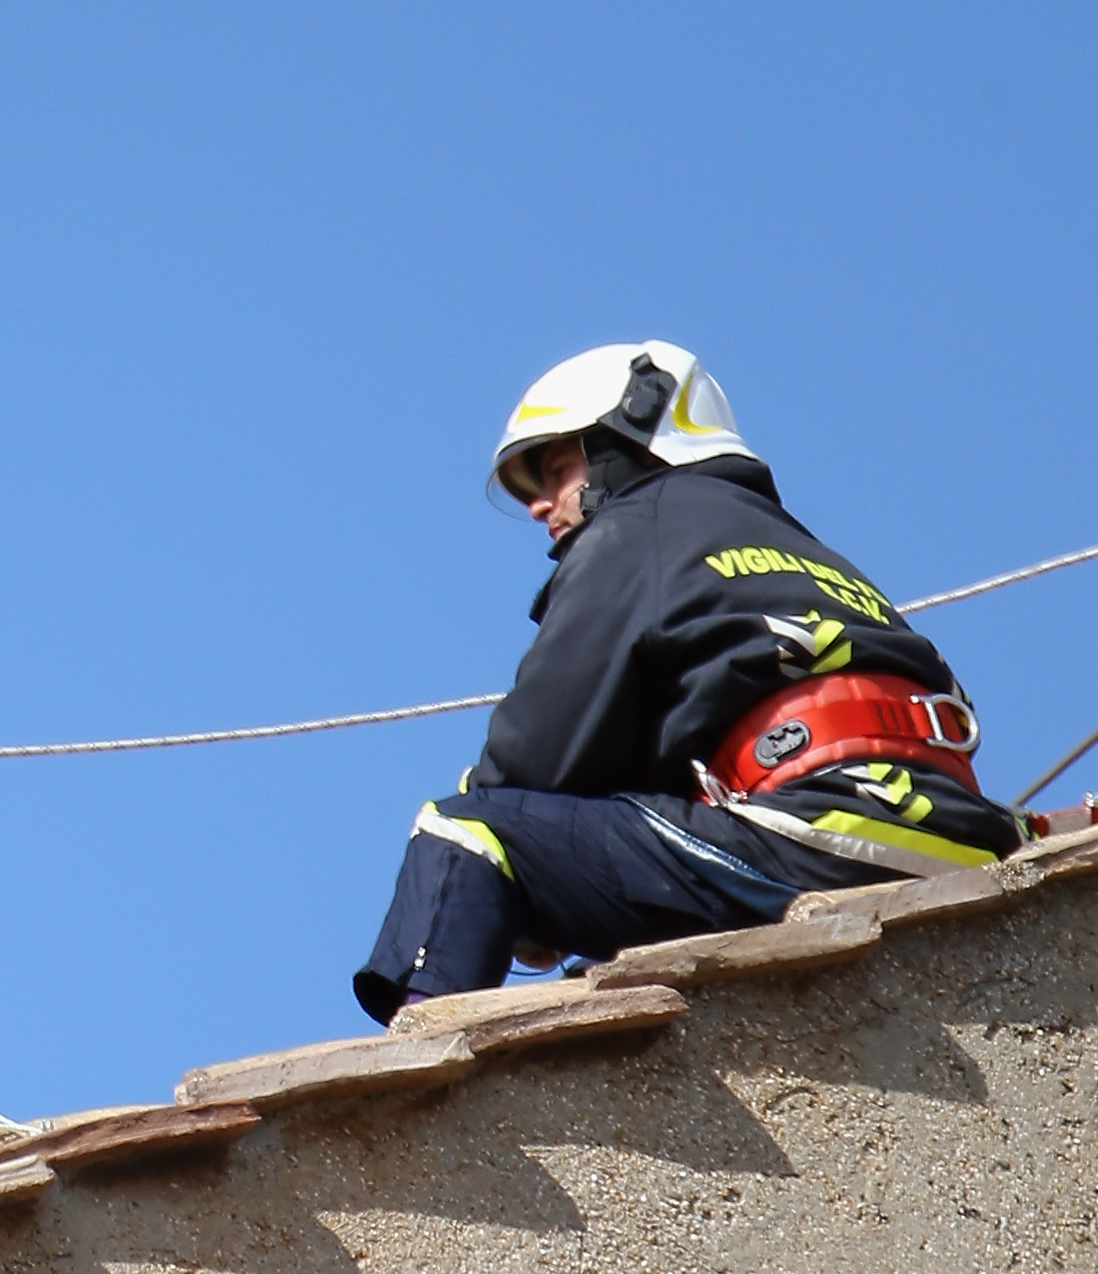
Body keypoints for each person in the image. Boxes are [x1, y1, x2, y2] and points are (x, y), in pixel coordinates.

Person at [354, 340, 1024, 1025]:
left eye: (555, 469)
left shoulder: (634, 528)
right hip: (954, 833)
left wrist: (517, 884)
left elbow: (534, 760)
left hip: (815, 838)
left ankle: (411, 1077)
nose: (538, 506)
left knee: (464, 830)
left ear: (631, 435)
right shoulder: (803, 553)